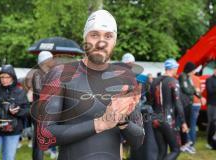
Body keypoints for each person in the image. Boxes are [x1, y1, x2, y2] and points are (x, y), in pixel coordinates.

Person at [32, 10, 144, 160]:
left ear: (114, 41)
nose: (101, 42)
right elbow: (43, 137)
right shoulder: (60, 74)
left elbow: (138, 141)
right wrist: (100, 124)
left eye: (108, 36)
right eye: (94, 35)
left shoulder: (125, 80)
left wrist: (122, 121)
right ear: (85, 38)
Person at [151, 58, 188, 160]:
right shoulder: (173, 81)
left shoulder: (154, 81)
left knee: (162, 151)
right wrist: (184, 122)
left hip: (154, 118)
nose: (177, 70)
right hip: (167, 119)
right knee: (176, 149)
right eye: (176, 67)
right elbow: (178, 103)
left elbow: (150, 101)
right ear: (173, 68)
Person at [31, 51, 55, 160]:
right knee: (39, 140)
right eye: (51, 59)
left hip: (47, 110)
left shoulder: (48, 73)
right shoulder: (38, 74)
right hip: (39, 112)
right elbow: (39, 92)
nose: (53, 61)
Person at [178, 62, 202, 153]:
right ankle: (184, 144)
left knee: (187, 124)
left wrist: (199, 96)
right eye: (193, 70)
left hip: (188, 103)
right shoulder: (183, 76)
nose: (194, 72)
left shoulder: (188, 77)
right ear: (190, 69)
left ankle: (186, 144)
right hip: (184, 104)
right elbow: (187, 89)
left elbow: (191, 88)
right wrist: (194, 90)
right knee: (184, 124)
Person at [206, 66, 216, 149]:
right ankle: (209, 142)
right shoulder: (209, 80)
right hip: (212, 105)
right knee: (211, 123)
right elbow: (210, 91)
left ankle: (214, 142)